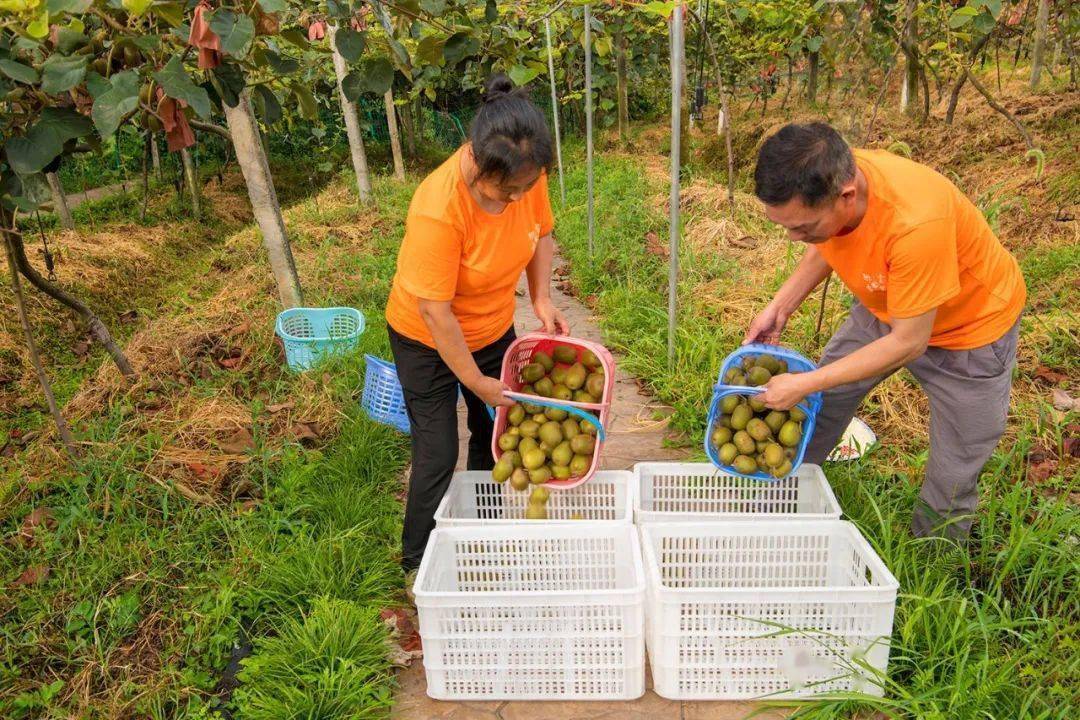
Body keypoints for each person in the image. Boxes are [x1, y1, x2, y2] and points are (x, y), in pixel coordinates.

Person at [745, 122, 1026, 539]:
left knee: (954, 467)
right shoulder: (831, 174)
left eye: (801, 228)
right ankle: (783, 502)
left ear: (846, 196)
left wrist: (806, 381)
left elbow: (910, 342)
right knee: (824, 402)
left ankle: (931, 565)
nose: (794, 238)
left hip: (971, 332)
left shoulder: (915, 223)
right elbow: (830, 240)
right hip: (890, 303)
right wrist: (782, 304)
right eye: (785, 226)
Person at [385, 75, 568, 572]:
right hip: (426, 339)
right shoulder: (438, 208)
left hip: (491, 328)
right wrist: (474, 381)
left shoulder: (526, 173)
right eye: (505, 191)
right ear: (476, 158)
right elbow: (434, 312)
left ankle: (480, 529)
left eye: (525, 188)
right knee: (437, 451)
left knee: (493, 435)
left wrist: (541, 297)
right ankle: (417, 560)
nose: (516, 199)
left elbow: (542, 234)